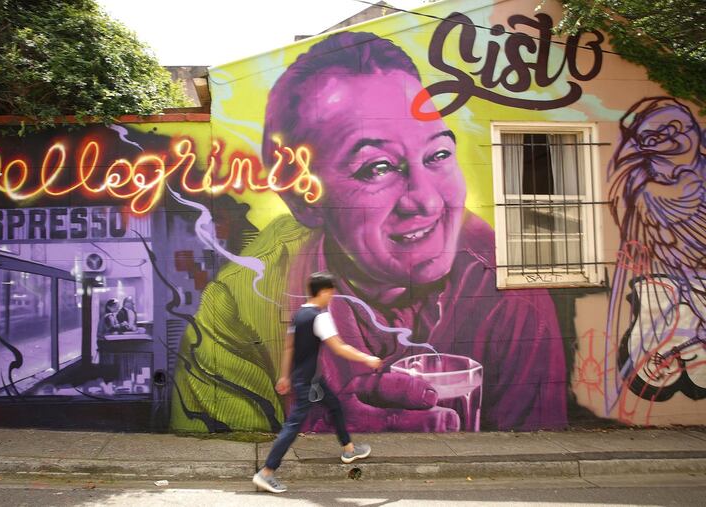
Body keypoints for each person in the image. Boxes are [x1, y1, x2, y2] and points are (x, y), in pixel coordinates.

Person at [170, 32, 567, 434]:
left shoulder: (507, 290)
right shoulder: (243, 303)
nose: (427, 201)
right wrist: (316, 429)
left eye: (439, 155)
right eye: (377, 167)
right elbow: (226, 446)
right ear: (303, 199)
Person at [252, 272, 382, 494]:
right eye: (330, 292)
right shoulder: (320, 317)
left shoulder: (299, 315)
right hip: (309, 384)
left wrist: (285, 376)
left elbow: (289, 348)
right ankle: (266, 473)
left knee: (334, 405)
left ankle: (348, 449)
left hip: (311, 380)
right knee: (292, 428)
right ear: (322, 292)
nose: (331, 297)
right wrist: (367, 358)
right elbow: (339, 347)